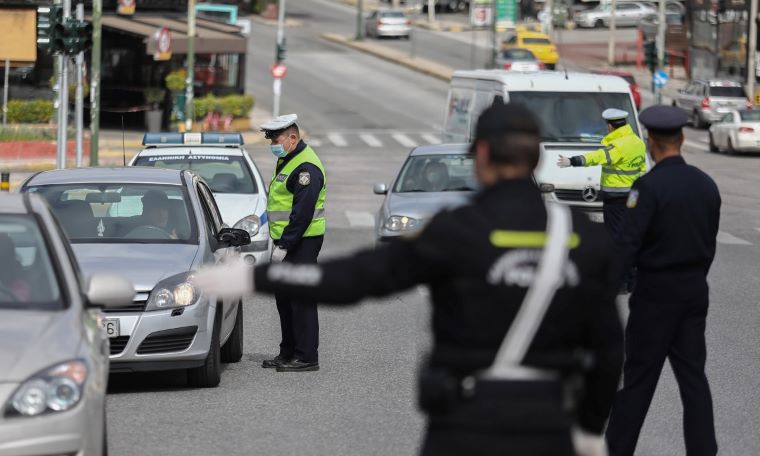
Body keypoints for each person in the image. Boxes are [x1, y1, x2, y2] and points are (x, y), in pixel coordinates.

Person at [195, 104, 623, 455]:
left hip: (464, 425)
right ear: (536, 159)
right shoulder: (585, 238)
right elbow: (609, 350)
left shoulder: (456, 230)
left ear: (482, 156)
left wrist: (258, 279)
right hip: (550, 428)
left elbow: (356, 279)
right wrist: (588, 428)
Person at [604, 105, 720, 456]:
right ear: (682, 139)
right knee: (693, 381)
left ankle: (616, 451)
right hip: (693, 292)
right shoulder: (706, 186)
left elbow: (627, 246)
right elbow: (709, 243)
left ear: (651, 142)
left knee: (638, 381)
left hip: (654, 295)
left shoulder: (647, 188)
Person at [261, 113, 327, 372]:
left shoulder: (306, 167)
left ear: (292, 138)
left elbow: (302, 214)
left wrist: (285, 245)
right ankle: (288, 352)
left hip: (302, 242)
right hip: (287, 241)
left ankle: (307, 356)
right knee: (285, 299)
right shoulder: (288, 159)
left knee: (300, 300)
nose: (272, 146)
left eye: (275, 140)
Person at [556, 108, 647, 242]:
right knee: (629, 228)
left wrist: (572, 161)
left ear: (610, 126)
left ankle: (618, 260)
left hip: (616, 199)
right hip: (633, 195)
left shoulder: (618, 146)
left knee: (614, 233)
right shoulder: (638, 142)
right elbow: (642, 169)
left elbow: (597, 157)